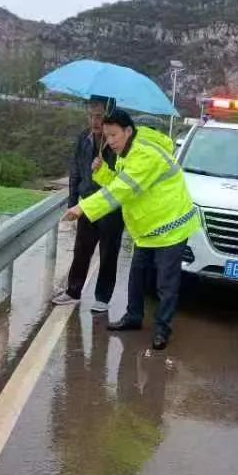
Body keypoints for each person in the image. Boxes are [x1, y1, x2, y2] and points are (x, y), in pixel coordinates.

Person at [64, 108, 200, 350]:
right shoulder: (127, 152)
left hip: (171, 227)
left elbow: (121, 191)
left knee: (165, 283)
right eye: (107, 136)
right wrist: (102, 172)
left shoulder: (145, 155)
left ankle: (162, 329)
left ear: (128, 131)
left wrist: (82, 207)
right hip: (147, 229)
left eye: (114, 135)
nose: (110, 141)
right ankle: (133, 317)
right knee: (136, 275)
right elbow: (121, 182)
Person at [52, 98, 123, 313]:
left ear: (108, 117)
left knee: (108, 253)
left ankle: (102, 297)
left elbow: (122, 178)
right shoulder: (84, 138)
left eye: (99, 116)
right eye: (90, 116)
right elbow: (75, 170)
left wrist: (105, 163)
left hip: (110, 206)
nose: (94, 121)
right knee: (81, 249)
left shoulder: (117, 142)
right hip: (87, 204)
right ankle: (73, 291)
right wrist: (73, 202)